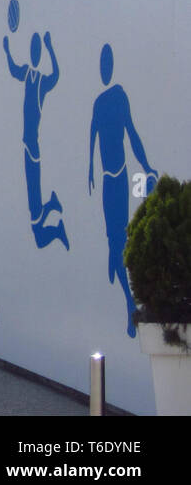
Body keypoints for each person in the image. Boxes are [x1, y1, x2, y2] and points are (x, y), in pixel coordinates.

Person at [89, 44, 156, 336]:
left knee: (120, 241)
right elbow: (92, 134)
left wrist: (146, 165)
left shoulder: (119, 96)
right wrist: (88, 168)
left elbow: (132, 133)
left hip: (118, 178)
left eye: (107, 61)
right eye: (101, 62)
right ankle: (115, 261)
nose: (104, 67)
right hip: (106, 179)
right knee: (114, 240)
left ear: (111, 64)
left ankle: (130, 304)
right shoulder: (98, 102)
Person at [5, 28, 68, 250]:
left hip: (32, 151)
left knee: (37, 232)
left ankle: (53, 213)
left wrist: (51, 47)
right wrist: (5, 50)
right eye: (32, 49)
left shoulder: (40, 82)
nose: (33, 53)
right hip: (27, 147)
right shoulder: (28, 74)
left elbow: (56, 76)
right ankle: (51, 204)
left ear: (39, 54)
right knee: (36, 221)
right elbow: (13, 70)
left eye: (36, 49)